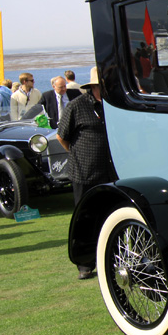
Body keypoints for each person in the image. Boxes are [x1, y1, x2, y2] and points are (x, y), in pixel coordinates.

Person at [57, 68, 115, 279]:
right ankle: (85, 264)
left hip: (110, 171)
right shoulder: (76, 106)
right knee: (85, 219)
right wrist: (78, 155)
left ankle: (110, 259)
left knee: (110, 217)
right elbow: (61, 137)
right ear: (93, 87)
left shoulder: (113, 104)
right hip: (84, 172)